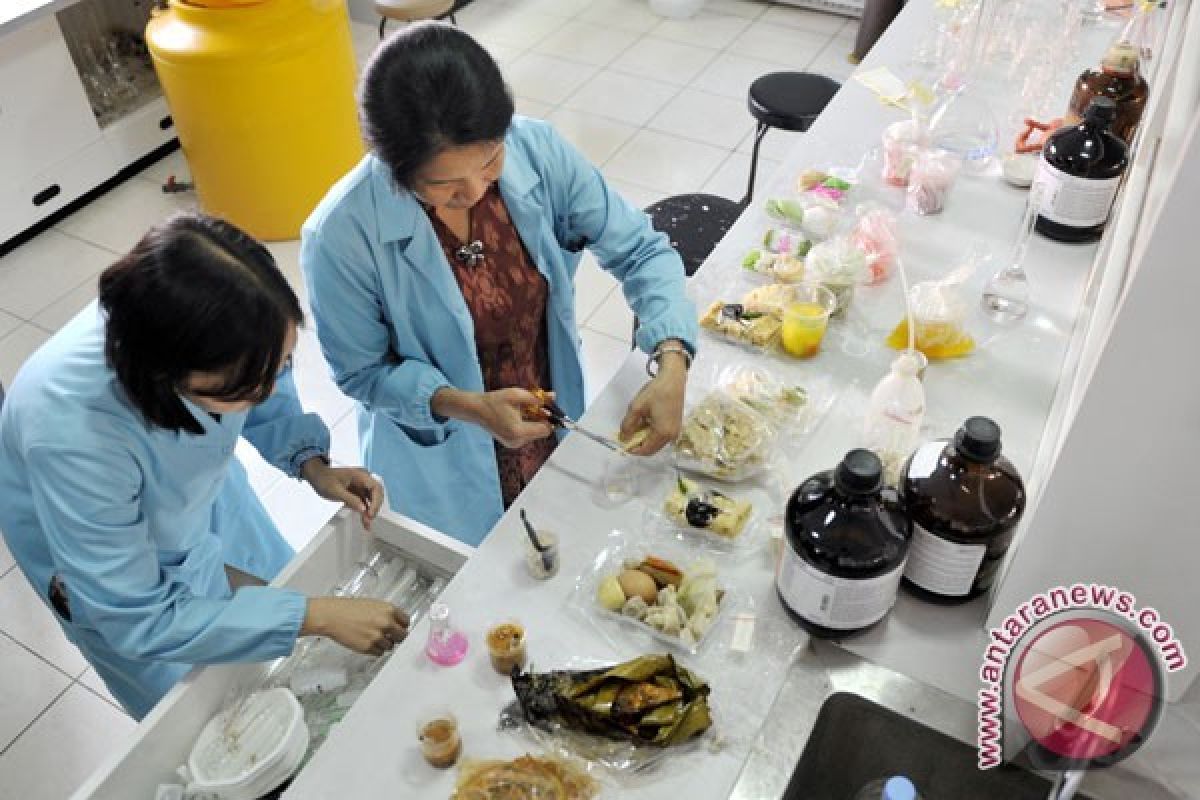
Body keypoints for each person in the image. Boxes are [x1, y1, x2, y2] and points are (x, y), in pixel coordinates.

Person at [0, 213, 410, 720]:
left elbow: (263, 378)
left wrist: (310, 461)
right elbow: (139, 617)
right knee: (209, 713)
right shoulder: (72, 433)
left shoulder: (217, 324)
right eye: (239, 390)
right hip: (102, 554)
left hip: (197, 483)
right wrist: (313, 615)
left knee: (280, 604)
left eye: (276, 363)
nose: (263, 390)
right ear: (165, 376)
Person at [302, 22, 698, 546]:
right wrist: (468, 405)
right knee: (472, 590)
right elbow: (363, 373)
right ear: (393, 170)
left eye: (489, 162)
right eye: (443, 184)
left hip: (545, 422)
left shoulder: (539, 151)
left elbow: (641, 250)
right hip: (445, 460)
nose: (473, 191)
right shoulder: (341, 235)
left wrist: (672, 362)